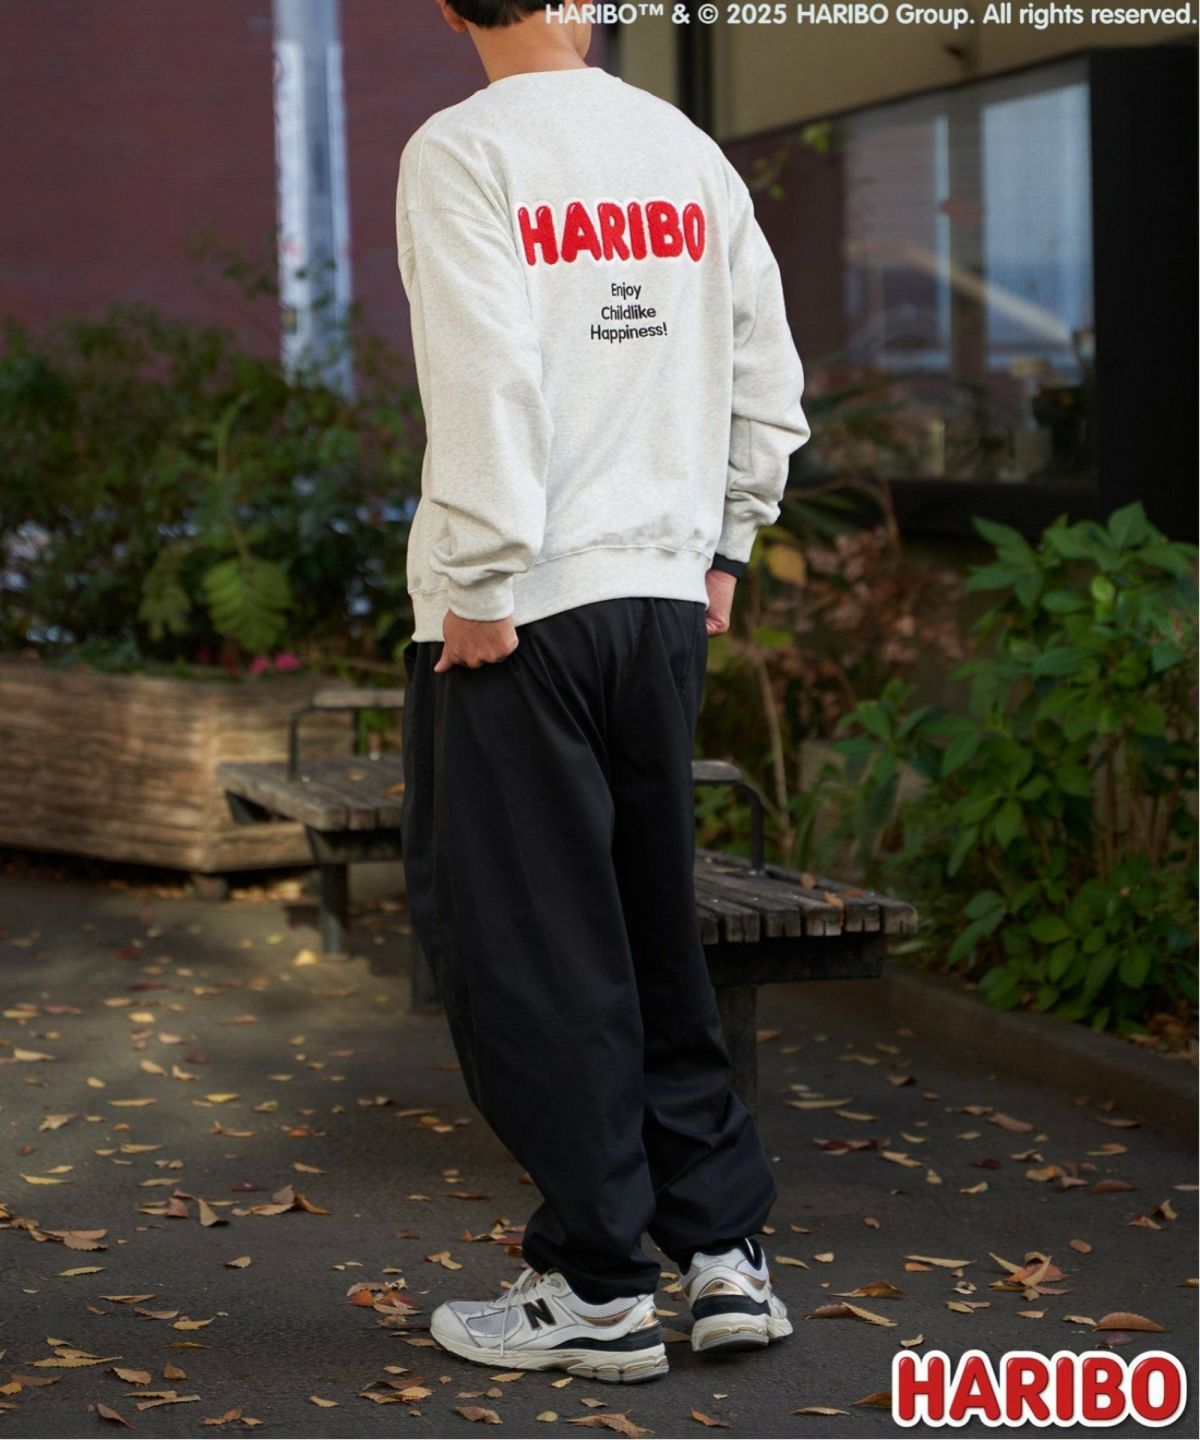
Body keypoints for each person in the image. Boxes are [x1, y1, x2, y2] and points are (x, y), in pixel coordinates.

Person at [396, 0, 810, 1384]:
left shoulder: (465, 150)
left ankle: (596, 1284)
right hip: (660, 599)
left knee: (531, 951)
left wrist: (480, 576)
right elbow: (766, 369)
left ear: (448, 4)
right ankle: (724, 1251)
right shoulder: (683, 148)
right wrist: (728, 542)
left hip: (521, 610)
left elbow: (484, 372)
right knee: (650, 930)